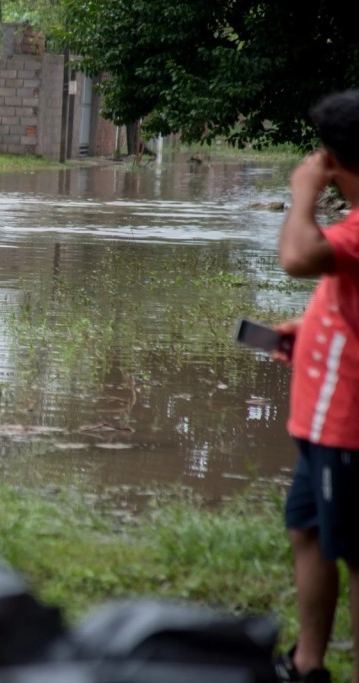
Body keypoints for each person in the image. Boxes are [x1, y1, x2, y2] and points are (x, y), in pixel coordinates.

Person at [271, 89, 359, 683]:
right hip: (318, 416)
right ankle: (308, 664)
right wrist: (314, 327)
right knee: (305, 528)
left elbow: (299, 256)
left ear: (332, 158)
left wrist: (303, 197)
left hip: (348, 424)